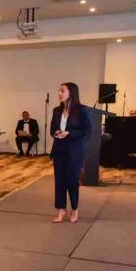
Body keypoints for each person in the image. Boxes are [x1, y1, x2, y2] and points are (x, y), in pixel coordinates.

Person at [50, 82, 90, 223]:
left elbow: (87, 130)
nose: (59, 93)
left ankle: (74, 208)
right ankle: (61, 209)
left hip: (74, 151)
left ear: (71, 93)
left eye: (62, 91)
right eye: (59, 90)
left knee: (72, 181)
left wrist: (69, 133)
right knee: (59, 181)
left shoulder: (81, 110)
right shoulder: (56, 110)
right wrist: (57, 133)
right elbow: (52, 129)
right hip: (59, 150)